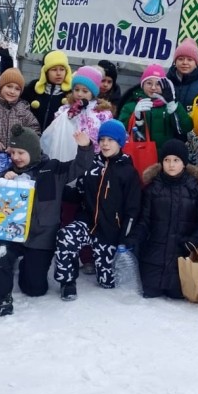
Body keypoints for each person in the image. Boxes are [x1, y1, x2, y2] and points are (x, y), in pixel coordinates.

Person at [0, 124, 92, 315]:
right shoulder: (9, 173)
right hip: (13, 234)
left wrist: (85, 147)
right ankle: (3, 296)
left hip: (42, 236)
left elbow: (80, 166)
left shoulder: (53, 169)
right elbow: (0, 206)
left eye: (21, 152)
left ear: (33, 151)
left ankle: (28, 265)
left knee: (34, 289)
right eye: (13, 152)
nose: (16, 157)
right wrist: (5, 180)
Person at [53, 120, 142, 300]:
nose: (105, 144)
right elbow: (78, 192)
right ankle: (67, 282)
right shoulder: (91, 165)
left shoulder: (128, 172)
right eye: (102, 139)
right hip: (87, 223)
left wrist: (124, 239)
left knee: (107, 283)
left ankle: (102, 266)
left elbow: (133, 210)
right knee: (66, 236)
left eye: (110, 140)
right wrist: (57, 190)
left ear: (120, 142)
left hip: (109, 231)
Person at [135, 139, 198, 299]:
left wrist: (192, 242)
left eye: (176, 160)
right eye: (167, 160)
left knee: (177, 294)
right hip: (153, 258)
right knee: (150, 293)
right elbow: (144, 220)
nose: (171, 165)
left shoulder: (195, 190)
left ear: (184, 163)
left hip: (181, 257)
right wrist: (136, 239)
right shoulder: (152, 188)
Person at [118, 64, 192, 149]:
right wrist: (137, 118)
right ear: (142, 85)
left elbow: (186, 128)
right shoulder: (130, 106)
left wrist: (173, 105)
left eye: (158, 84)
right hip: (140, 156)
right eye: (149, 83)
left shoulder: (169, 106)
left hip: (166, 158)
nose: (153, 88)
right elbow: (122, 132)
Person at [51, 65, 114, 153]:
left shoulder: (102, 114)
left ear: (93, 93)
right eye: (76, 90)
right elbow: (56, 128)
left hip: (92, 157)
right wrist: (70, 112)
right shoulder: (64, 109)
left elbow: (108, 137)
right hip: (65, 154)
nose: (79, 94)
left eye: (85, 91)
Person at [0, 68, 40, 155]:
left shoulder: (23, 109)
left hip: (17, 159)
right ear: (1, 87)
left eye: (17, 89)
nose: (12, 91)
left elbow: (35, 132)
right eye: (9, 86)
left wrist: (20, 145)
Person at [23, 49, 73, 131]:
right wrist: (6, 59)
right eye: (54, 69)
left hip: (56, 141)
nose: (58, 73)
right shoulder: (33, 88)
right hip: (33, 139)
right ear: (45, 72)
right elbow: (11, 90)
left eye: (62, 69)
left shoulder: (71, 93)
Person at [166, 37, 198, 112]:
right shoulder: (166, 80)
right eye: (180, 59)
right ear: (175, 62)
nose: (185, 63)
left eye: (189, 59)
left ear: (196, 63)